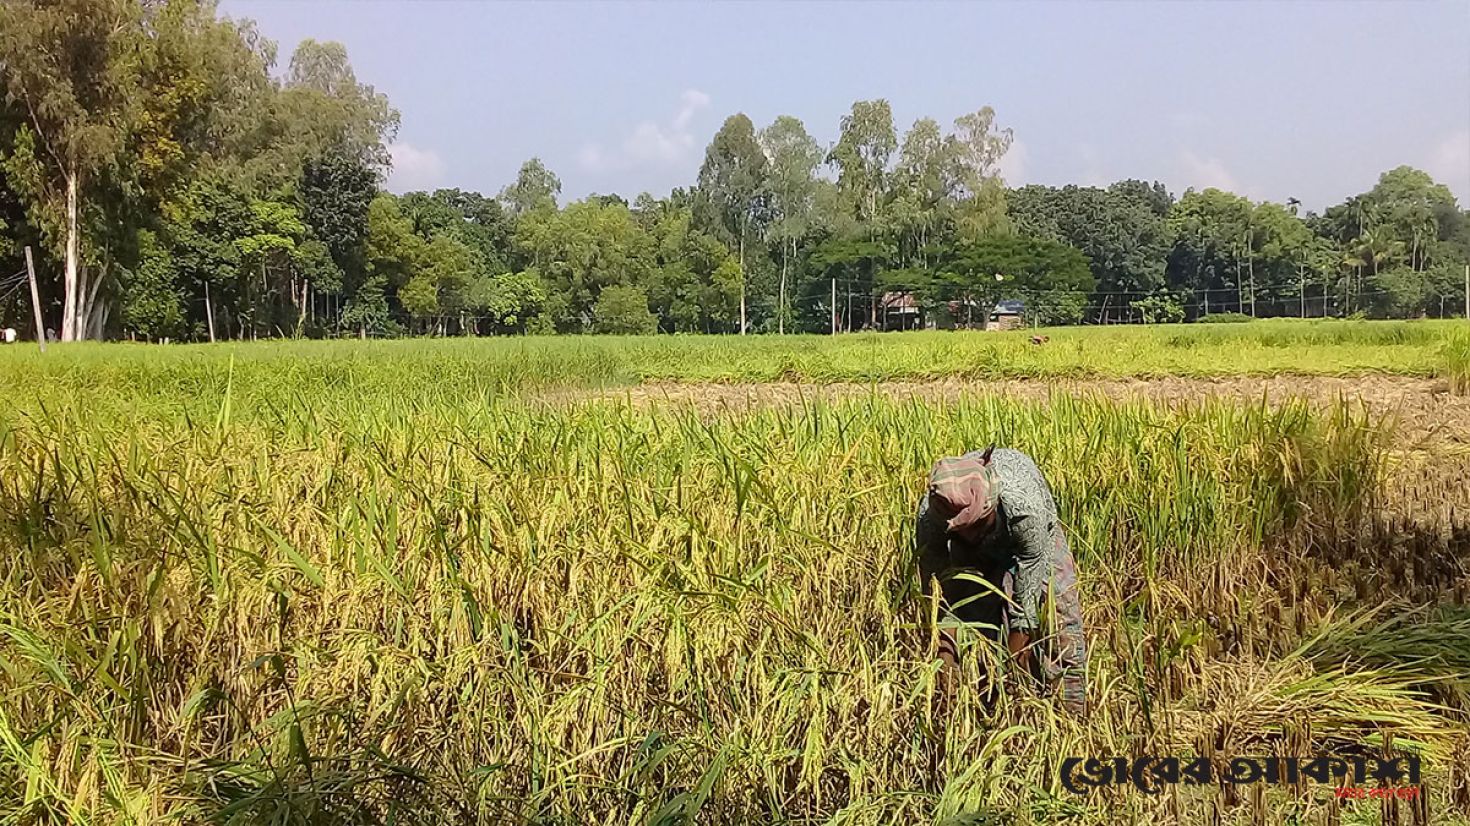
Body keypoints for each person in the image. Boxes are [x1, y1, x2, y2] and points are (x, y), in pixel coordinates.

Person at [914, 446, 1087, 715]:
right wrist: (945, 667)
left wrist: (1013, 682)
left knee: (1059, 620)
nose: (972, 538)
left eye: (977, 528)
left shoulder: (1025, 511)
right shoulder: (932, 517)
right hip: (971, 541)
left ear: (991, 508)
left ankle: (1070, 717)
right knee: (976, 620)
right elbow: (940, 599)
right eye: (963, 532)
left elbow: (1025, 610)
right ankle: (983, 702)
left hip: (1036, 539)